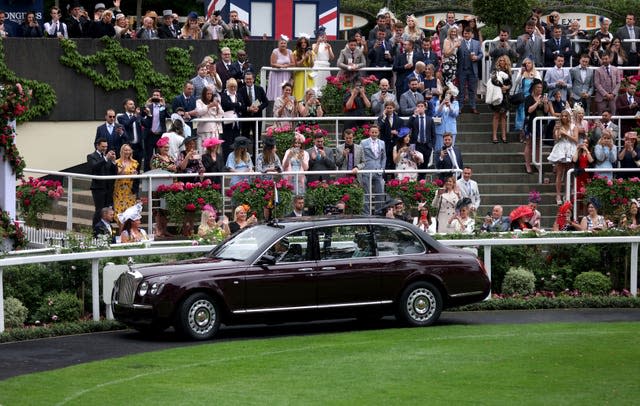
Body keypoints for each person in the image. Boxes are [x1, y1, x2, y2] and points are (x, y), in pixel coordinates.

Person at [548, 110, 578, 204]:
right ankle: (558, 195)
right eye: (562, 116)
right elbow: (556, 139)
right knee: (559, 172)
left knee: (568, 173)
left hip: (570, 149)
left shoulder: (574, 127)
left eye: (566, 116)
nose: (564, 117)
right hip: (560, 149)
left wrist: (566, 134)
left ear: (568, 117)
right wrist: (556, 131)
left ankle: (567, 194)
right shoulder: (558, 126)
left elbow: (576, 139)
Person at [88, 138, 117, 225]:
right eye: (103, 146)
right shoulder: (91, 156)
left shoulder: (108, 157)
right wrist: (105, 158)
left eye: (106, 146)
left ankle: (106, 230)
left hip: (108, 188)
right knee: (99, 210)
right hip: (98, 188)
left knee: (108, 210)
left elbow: (114, 172)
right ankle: (95, 232)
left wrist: (113, 162)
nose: (105, 148)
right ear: (97, 146)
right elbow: (94, 168)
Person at [524, 79, 550, 174]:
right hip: (530, 123)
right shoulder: (528, 98)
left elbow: (546, 111)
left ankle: (538, 164)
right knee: (529, 144)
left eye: (541, 87)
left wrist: (546, 103)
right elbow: (529, 110)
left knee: (538, 145)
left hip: (540, 124)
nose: (540, 89)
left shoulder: (543, 97)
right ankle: (528, 164)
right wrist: (537, 102)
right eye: (538, 87)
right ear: (534, 88)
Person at [359, 124, 386, 215]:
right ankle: (366, 213)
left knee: (380, 192)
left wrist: (382, 168)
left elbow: (384, 157)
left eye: (376, 132)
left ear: (378, 133)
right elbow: (360, 156)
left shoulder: (382, 143)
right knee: (366, 193)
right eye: (372, 132)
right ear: (369, 132)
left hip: (378, 170)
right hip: (367, 170)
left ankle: (379, 212)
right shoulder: (363, 142)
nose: (374, 134)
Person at [457, 27, 483, 114]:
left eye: (468, 33)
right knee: (461, 89)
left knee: (472, 90)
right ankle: (459, 107)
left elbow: (481, 54)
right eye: (465, 33)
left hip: (473, 70)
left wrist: (477, 57)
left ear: (471, 34)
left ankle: (473, 106)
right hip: (462, 70)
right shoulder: (459, 42)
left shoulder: (476, 43)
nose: (466, 35)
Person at [113, 144, 139, 227]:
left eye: (129, 150)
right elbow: (117, 174)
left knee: (130, 214)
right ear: (121, 151)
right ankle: (122, 235)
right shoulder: (117, 162)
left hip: (130, 191)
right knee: (120, 214)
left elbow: (136, 176)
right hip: (119, 191)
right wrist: (123, 169)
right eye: (125, 150)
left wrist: (136, 174)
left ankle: (129, 235)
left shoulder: (134, 162)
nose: (127, 152)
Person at [407, 100, 435, 177]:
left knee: (425, 164)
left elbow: (433, 134)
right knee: (416, 164)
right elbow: (407, 127)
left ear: (425, 108)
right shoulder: (414, 118)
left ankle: (422, 181)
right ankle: (416, 181)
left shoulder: (430, 119)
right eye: (418, 106)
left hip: (427, 145)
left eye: (422, 106)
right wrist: (413, 115)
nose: (420, 108)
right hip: (417, 145)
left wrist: (432, 145)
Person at [489, 55, 512, 143]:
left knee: (503, 116)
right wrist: (502, 86)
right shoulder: (495, 71)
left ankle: (503, 135)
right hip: (496, 95)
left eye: (503, 60)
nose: (501, 62)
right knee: (496, 115)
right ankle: (494, 135)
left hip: (505, 96)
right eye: (500, 60)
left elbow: (511, 83)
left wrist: (507, 87)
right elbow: (493, 80)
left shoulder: (508, 71)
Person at [238, 72, 268, 140]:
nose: (248, 81)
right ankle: (245, 151)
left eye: (250, 79)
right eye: (247, 79)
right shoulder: (241, 91)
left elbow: (266, 102)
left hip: (257, 116)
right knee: (244, 138)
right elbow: (239, 105)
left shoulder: (259, 89)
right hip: (245, 117)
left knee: (257, 138)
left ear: (253, 79)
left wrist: (259, 108)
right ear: (244, 80)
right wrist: (248, 108)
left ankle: (256, 151)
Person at [220, 78, 243, 157]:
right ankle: (227, 163)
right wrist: (237, 104)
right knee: (227, 144)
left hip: (237, 124)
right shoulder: (223, 95)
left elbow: (242, 106)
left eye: (234, 86)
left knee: (236, 143)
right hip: (227, 124)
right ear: (227, 87)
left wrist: (235, 104)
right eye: (231, 86)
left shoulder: (239, 95)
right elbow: (225, 105)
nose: (233, 88)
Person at [266, 35, 294, 101]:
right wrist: (282, 66)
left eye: (284, 43)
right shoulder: (275, 51)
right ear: (278, 44)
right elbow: (272, 64)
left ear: (286, 44)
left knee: (286, 92)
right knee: (277, 92)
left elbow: (293, 63)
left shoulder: (290, 52)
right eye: (281, 43)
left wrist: (287, 66)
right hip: (276, 75)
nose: (283, 45)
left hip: (286, 75)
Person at [377, 100, 403, 169]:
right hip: (385, 142)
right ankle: (384, 179)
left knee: (394, 162)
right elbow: (379, 128)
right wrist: (384, 117)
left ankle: (393, 179)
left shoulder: (399, 120)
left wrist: (397, 132)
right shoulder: (381, 118)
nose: (389, 110)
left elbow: (401, 131)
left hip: (395, 143)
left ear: (393, 108)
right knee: (384, 162)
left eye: (390, 108)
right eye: (387, 108)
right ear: (385, 108)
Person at [292, 36, 315, 101]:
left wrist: (310, 56)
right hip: (299, 75)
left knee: (309, 93)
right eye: (301, 42)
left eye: (305, 42)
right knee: (299, 93)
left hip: (308, 75)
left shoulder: (311, 52)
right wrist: (305, 57)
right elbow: (297, 65)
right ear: (299, 44)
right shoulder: (295, 52)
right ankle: (298, 108)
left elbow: (311, 65)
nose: (303, 44)